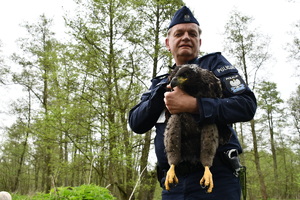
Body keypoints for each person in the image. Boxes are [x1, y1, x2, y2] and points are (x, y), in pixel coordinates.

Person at [128, 6, 256, 200]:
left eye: (192, 34)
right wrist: (162, 93)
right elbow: (136, 123)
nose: (186, 37)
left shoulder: (214, 66)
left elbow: (246, 105)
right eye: (179, 33)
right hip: (173, 183)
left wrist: (195, 105)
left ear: (199, 42)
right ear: (168, 43)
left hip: (216, 180)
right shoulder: (160, 82)